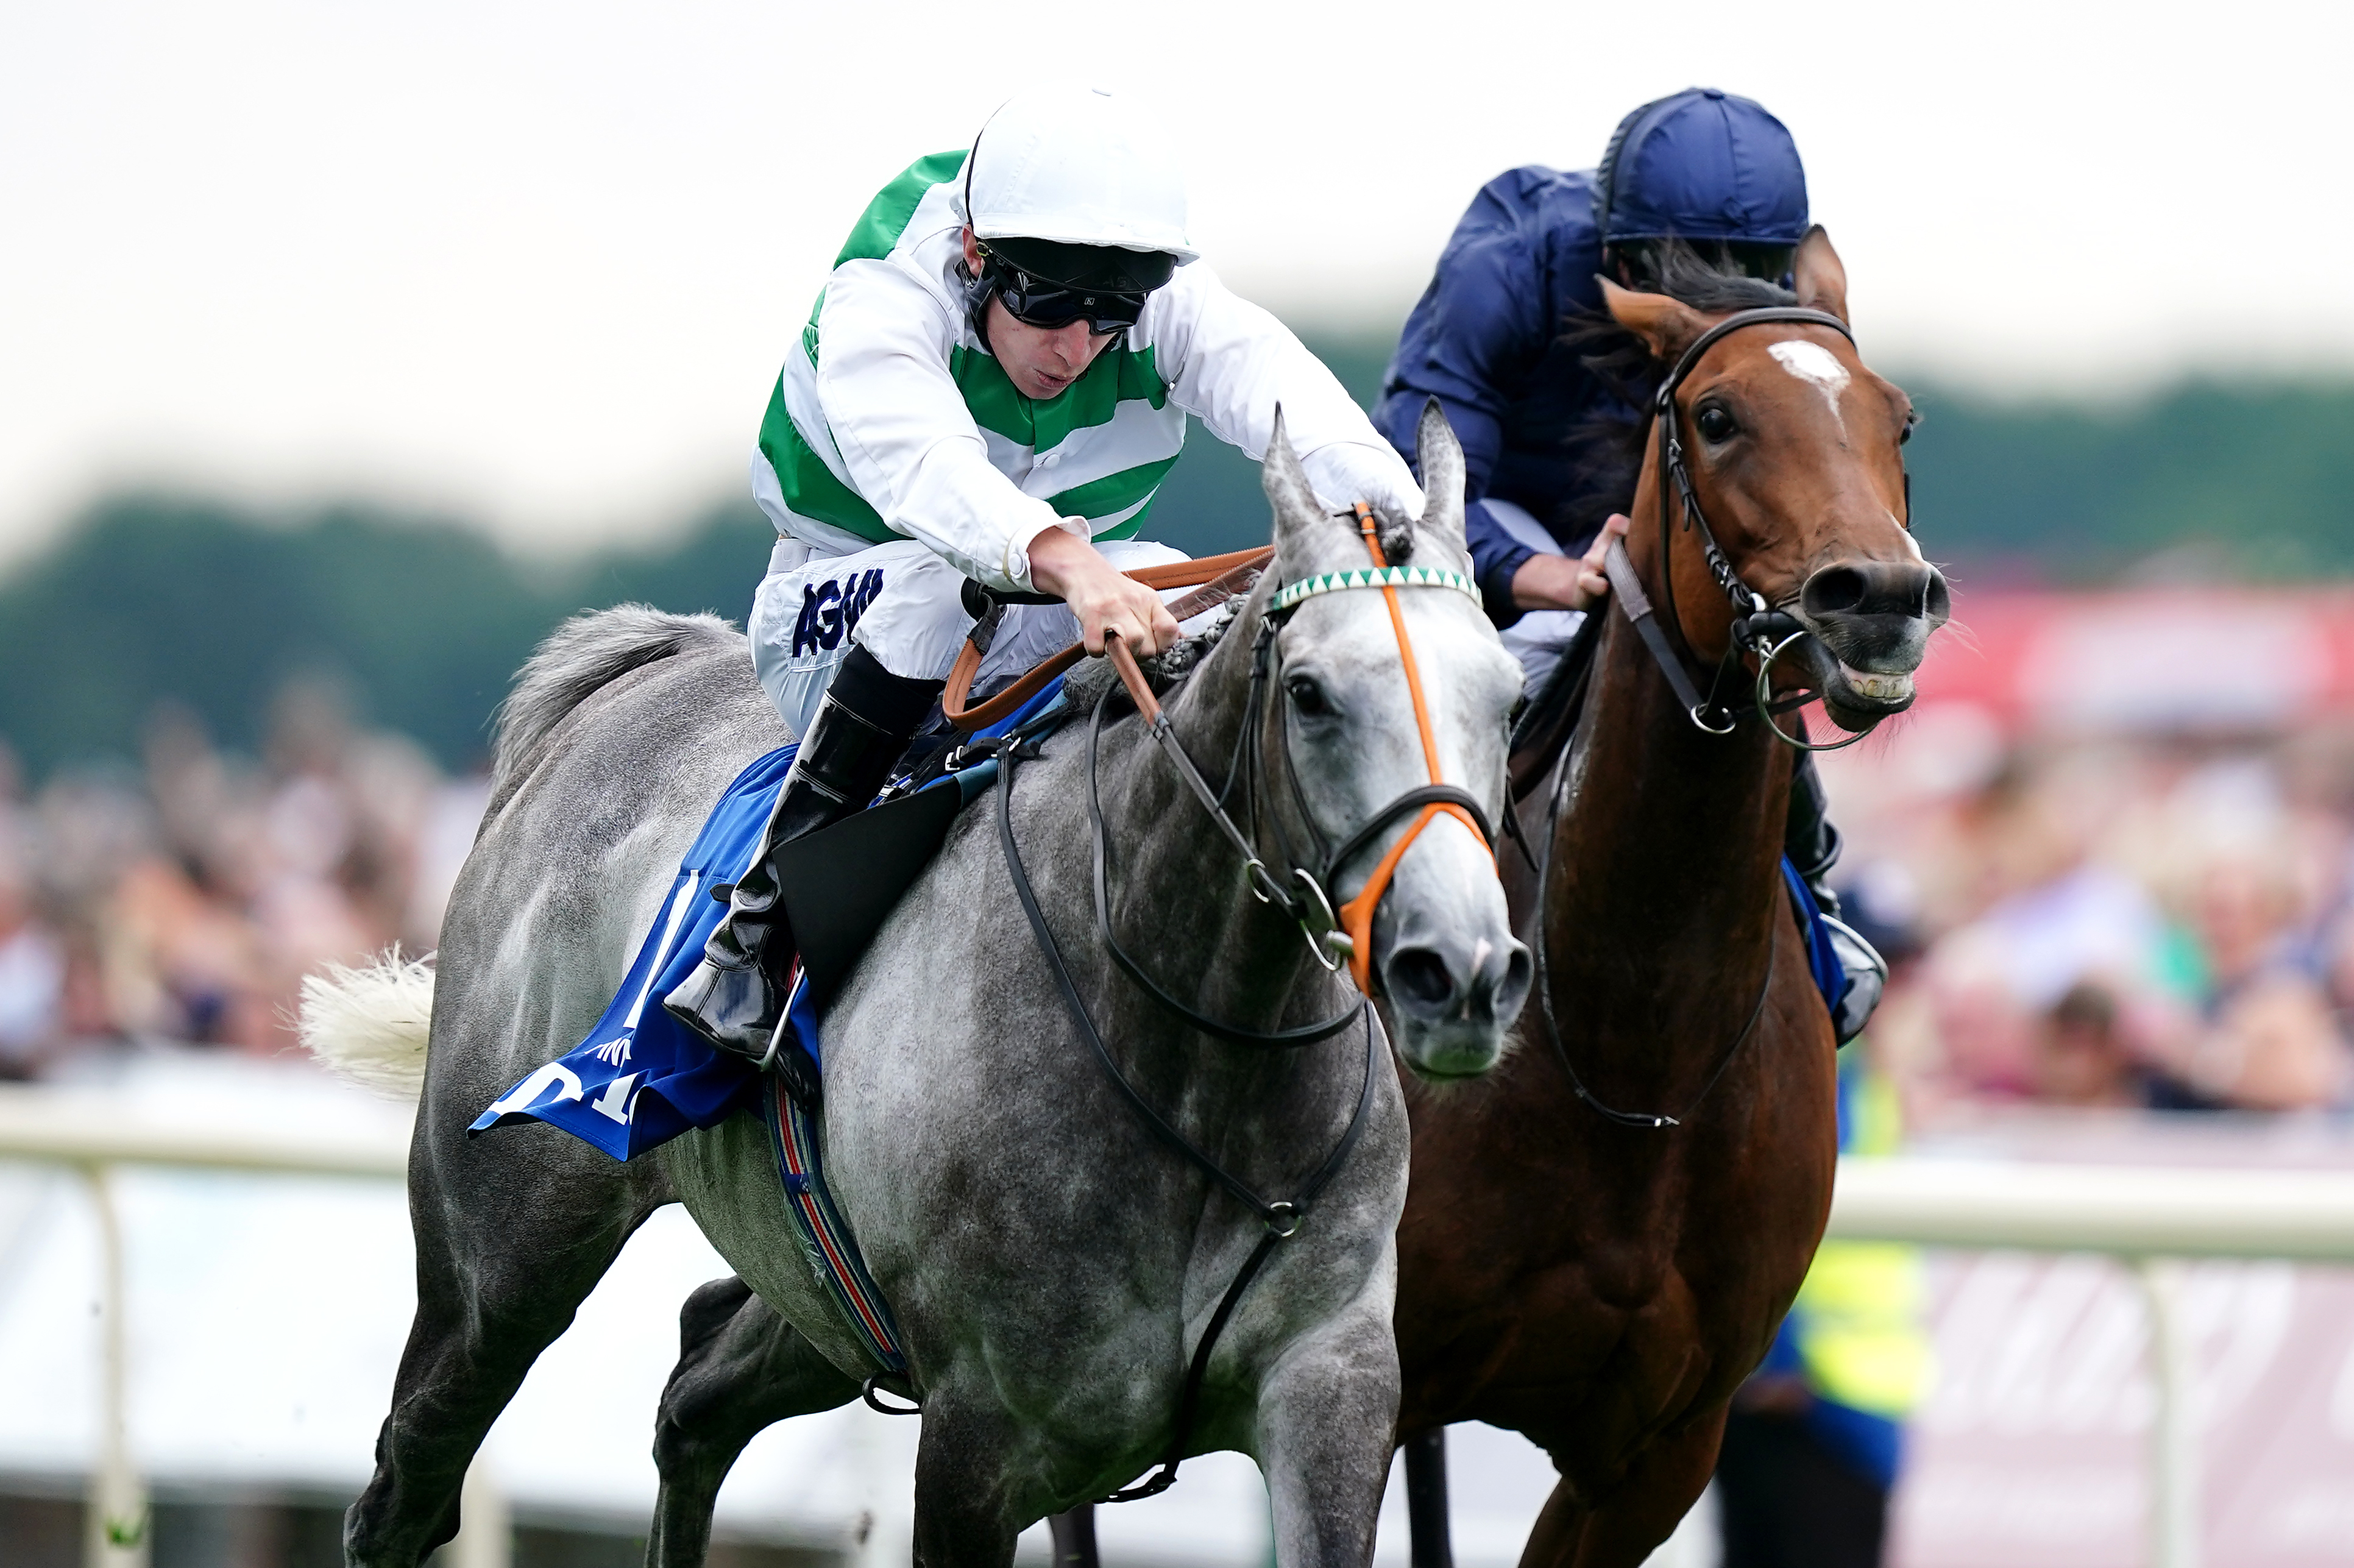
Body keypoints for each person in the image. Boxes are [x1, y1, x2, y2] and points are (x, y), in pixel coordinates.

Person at [665, 87, 1425, 1063]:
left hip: (1056, 595)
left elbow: (1297, 409)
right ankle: (756, 934)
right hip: (846, 599)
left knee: (1224, 612)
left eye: (1109, 313)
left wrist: (1406, 530)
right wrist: (1071, 566)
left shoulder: (1165, 304)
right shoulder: (886, 294)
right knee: (941, 592)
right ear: (976, 258)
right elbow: (930, 473)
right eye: (1046, 302)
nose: (1076, 344)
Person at [1371, 87, 1884, 1040]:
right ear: (1623, 258)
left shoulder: (1790, 319)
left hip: (1660, 529)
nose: (1725, 299)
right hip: (1496, 519)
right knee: (1483, 650)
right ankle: (1392, 912)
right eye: (1695, 279)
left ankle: (1815, 895)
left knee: (1760, 626)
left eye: (1752, 276)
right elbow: (1418, 487)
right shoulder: (1511, 259)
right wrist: (1542, 574)